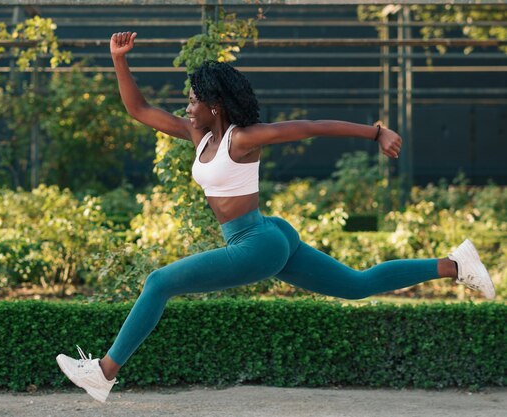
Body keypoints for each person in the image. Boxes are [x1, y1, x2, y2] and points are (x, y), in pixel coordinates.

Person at [56, 32, 496, 403]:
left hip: (257, 244)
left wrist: (376, 132)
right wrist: (118, 60)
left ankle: (105, 372)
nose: (187, 107)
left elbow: (309, 126)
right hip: (269, 234)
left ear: (215, 104)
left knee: (158, 282)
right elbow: (139, 110)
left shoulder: (243, 139)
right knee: (356, 285)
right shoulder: (198, 135)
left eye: (193, 101)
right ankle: (456, 265)